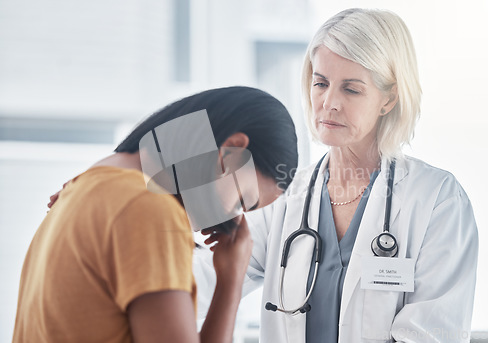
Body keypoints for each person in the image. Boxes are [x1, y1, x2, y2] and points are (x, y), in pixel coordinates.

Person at [194, 9, 478, 343]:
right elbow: (198, 283)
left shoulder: (437, 201)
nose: (329, 103)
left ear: (389, 99)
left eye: (351, 90)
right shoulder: (284, 198)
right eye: (321, 84)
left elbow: (432, 334)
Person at [12, 86, 298, 343]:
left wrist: (229, 280)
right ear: (232, 150)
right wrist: (232, 282)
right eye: (241, 201)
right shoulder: (147, 208)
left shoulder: (90, 184)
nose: (230, 219)